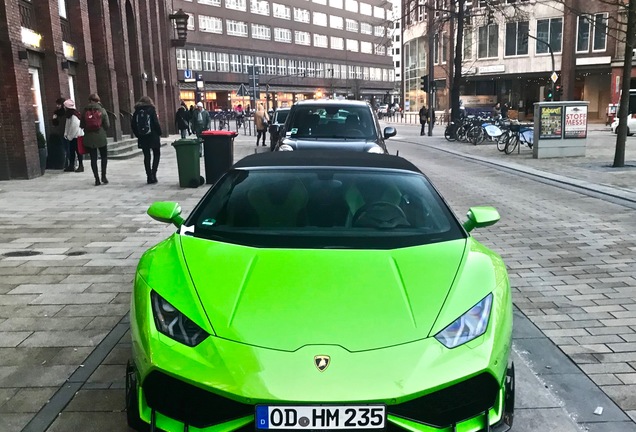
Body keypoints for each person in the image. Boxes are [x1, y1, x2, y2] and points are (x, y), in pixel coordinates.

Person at [80, 93, 110, 186]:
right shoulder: (102, 110)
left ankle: (96, 179)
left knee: (93, 158)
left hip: (89, 138)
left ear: (90, 100)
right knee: (104, 156)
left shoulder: (85, 111)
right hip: (100, 136)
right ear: (98, 100)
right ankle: (103, 176)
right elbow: (107, 125)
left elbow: (81, 125)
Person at [132, 96, 163, 184]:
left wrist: (138, 135)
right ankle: (154, 174)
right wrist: (159, 132)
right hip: (153, 136)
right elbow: (156, 123)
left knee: (147, 156)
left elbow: (133, 125)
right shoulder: (151, 110)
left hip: (143, 137)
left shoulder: (137, 111)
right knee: (156, 154)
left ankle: (149, 176)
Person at [62, 99, 84, 173]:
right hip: (73, 136)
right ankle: (72, 165)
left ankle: (80, 166)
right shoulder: (70, 115)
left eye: (65, 106)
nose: (64, 108)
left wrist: (69, 136)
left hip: (76, 136)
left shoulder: (74, 115)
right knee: (72, 151)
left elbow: (74, 126)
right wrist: (66, 134)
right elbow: (67, 125)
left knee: (78, 151)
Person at [51, 97, 68, 170]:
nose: (57, 106)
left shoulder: (66, 113)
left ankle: (69, 163)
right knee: (65, 147)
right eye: (57, 104)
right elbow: (54, 123)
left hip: (66, 132)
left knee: (67, 148)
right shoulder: (56, 113)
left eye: (59, 104)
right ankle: (66, 163)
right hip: (61, 132)